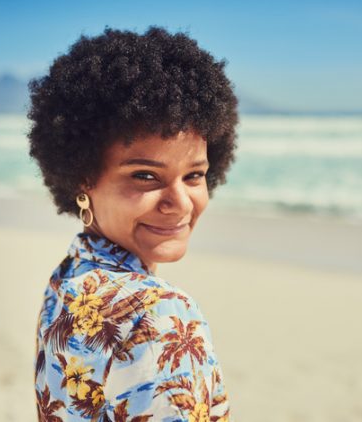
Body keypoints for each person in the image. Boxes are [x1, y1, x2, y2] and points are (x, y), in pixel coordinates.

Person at [27, 26, 238, 421]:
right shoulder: (159, 312)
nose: (179, 203)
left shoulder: (70, 277)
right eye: (145, 176)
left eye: (194, 176)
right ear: (82, 178)